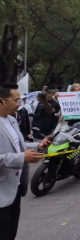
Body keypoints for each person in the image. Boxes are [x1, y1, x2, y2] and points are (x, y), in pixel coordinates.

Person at [1, 83, 52, 240]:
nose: (19, 104)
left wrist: (38, 145)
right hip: (1, 191)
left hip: (16, 188)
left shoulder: (11, 120)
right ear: (1, 101)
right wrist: (22, 157)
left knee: (10, 232)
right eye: (16, 100)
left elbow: (18, 145)